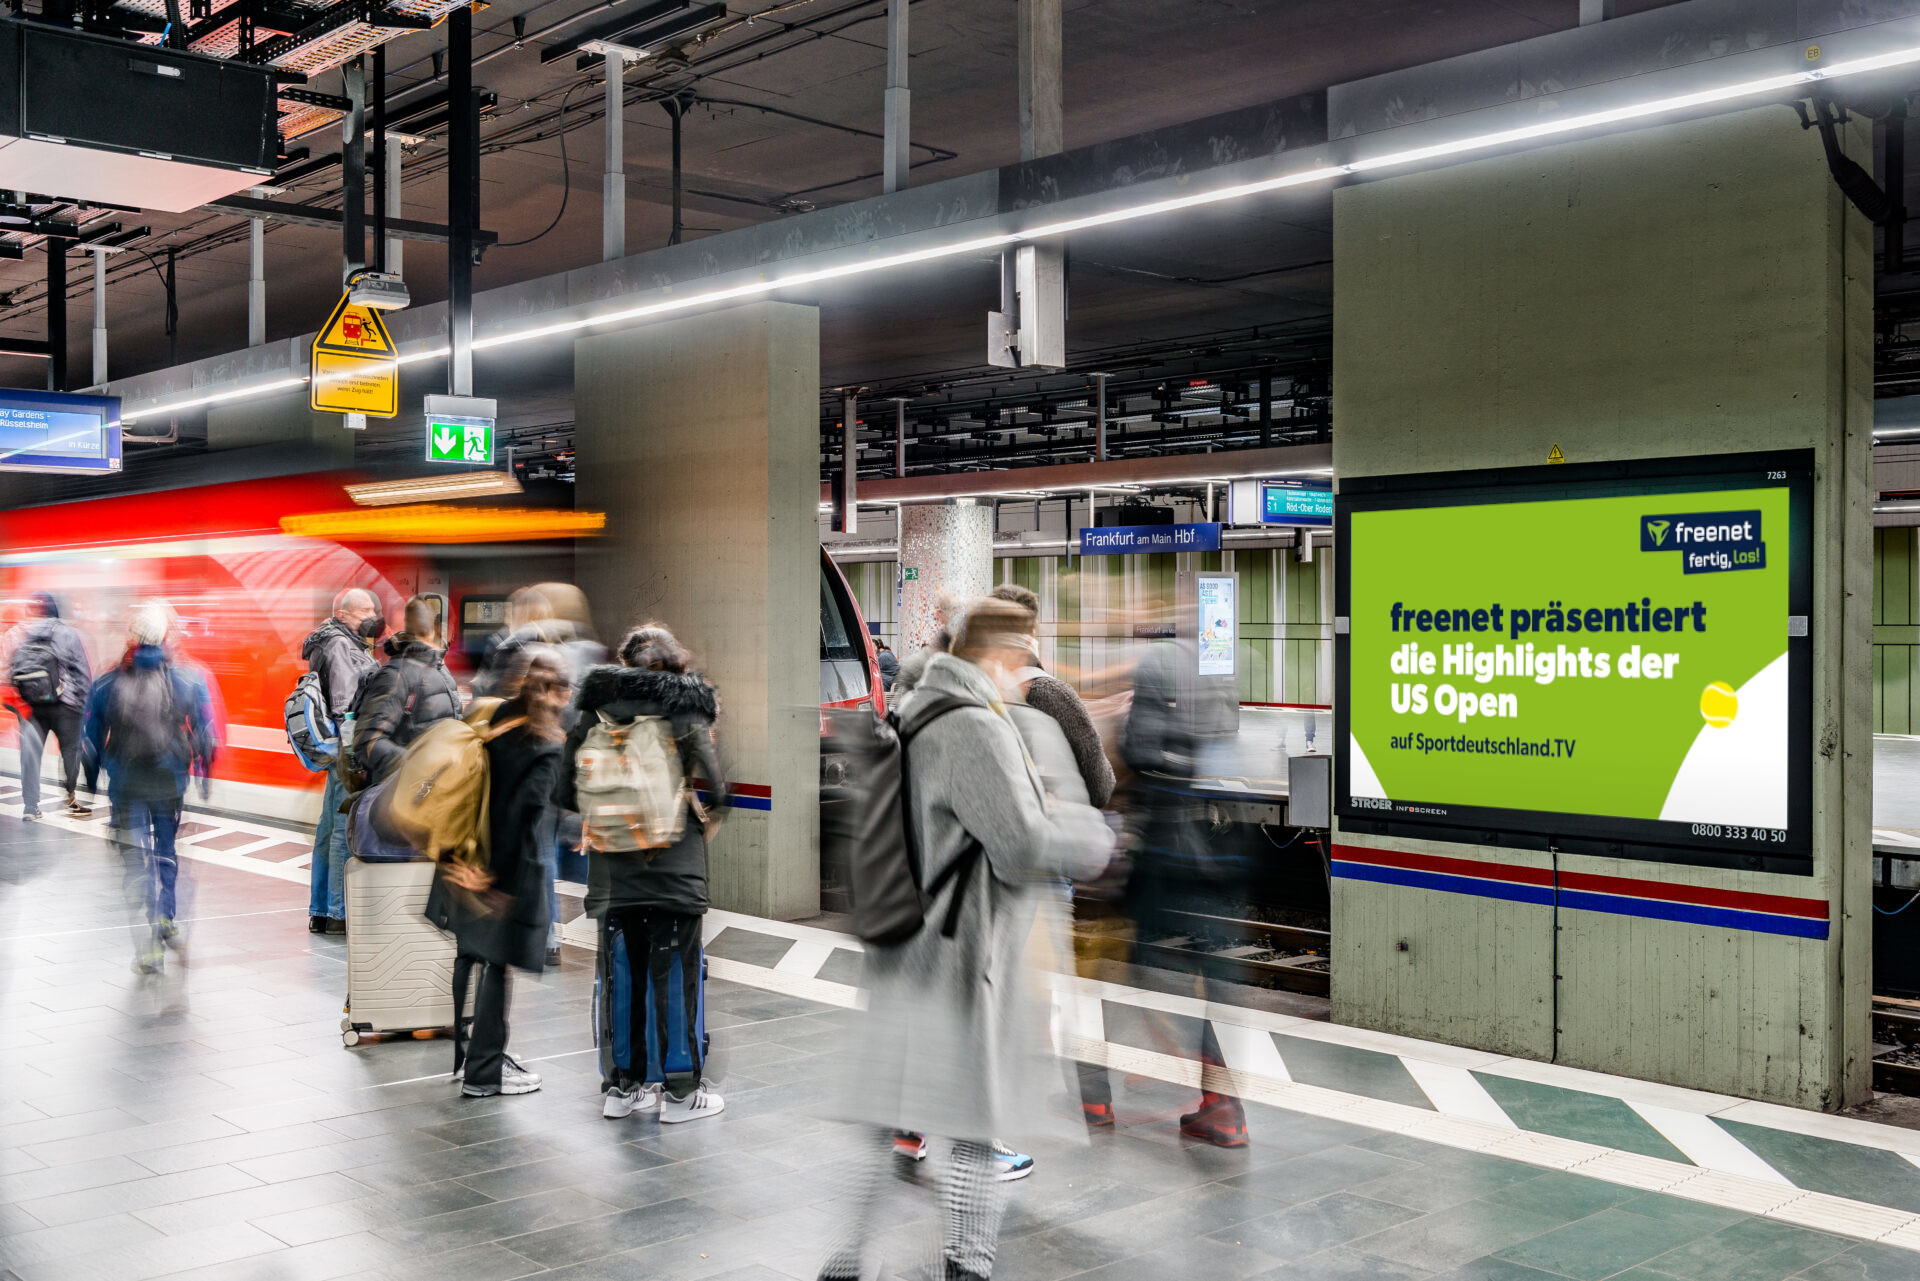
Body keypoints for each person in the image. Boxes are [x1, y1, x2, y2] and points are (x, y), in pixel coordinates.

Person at [820, 598, 1113, 1281]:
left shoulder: (910, 709)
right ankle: (967, 1265)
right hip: (958, 954)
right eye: (1023, 661)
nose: (1026, 678)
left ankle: (845, 1261)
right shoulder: (974, 727)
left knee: (886, 1122)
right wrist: (1091, 834)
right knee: (976, 1126)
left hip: (901, 943)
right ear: (1001, 656)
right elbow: (1020, 846)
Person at [558, 622, 730, 1123]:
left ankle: (622, 1088)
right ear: (674, 660)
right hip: (675, 870)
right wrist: (702, 818)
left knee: (621, 976)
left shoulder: (594, 709)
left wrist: (606, 817)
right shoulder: (687, 705)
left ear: (623, 664)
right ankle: (680, 1094)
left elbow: (563, 790)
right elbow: (717, 790)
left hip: (615, 871)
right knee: (676, 975)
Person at [1120, 633, 1247, 1146]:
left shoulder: (1159, 664)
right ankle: (1223, 1105)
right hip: (1223, 851)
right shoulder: (1224, 668)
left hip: (1172, 854)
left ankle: (1174, 1066)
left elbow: (1138, 750)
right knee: (1215, 980)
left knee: (1147, 964)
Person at [430, 646, 569, 1099]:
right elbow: (522, 817)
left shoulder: (492, 716)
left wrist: (457, 861)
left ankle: (466, 1057)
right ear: (558, 692)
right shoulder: (545, 743)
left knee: (468, 956)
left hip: (460, 858)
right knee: (495, 967)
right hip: (496, 872)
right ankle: (485, 1072)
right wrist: (500, 885)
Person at [83, 603, 216, 975]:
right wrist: (203, 776)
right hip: (169, 780)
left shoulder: (106, 682)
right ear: (165, 637)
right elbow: (206, 734)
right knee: (166, 850)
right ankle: (165, 914)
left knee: (134, 859)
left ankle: (148, 945)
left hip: (125, 784)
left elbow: (89, 743)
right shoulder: (189, 679)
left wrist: (90, 786)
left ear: (131, 635)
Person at [301, 588, 382, 935]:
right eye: (364, 611)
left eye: (372, 610)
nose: (372, 616)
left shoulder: (342, 641)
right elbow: (344, 706)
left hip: (340, 748)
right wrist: (353, 757)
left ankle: (322, 909)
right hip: (345, 749)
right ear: (343, 614)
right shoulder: (338, 644)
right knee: (340, 829)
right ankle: (337, 913)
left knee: (327, 827)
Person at [349, 595, 463, 787]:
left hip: (436, 788)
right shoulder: (396, 675)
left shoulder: (439, 667)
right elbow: (368, 741)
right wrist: (419, 767)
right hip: (405, 790)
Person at [5, 591, 93, 819]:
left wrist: (22, 700)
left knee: (30, 755)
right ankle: (70, 797)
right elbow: (82, 672)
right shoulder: (68, 633)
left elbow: (12, 670)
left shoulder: (25, 632)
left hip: (34, 706)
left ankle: (30, 807)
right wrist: (83, 705)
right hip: (66, 705)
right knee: (70, 751)